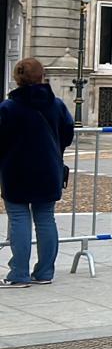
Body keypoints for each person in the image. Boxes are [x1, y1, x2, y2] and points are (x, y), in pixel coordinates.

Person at [0, 58, 75, 288]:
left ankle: (19, 273)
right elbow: (68, 133)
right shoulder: (57, 104)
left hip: (16, 168)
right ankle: (44, 272)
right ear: (43, 77)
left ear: (17, 78)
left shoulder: (8, 107)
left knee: (19, 218)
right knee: (45, 219)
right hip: (48, 167)